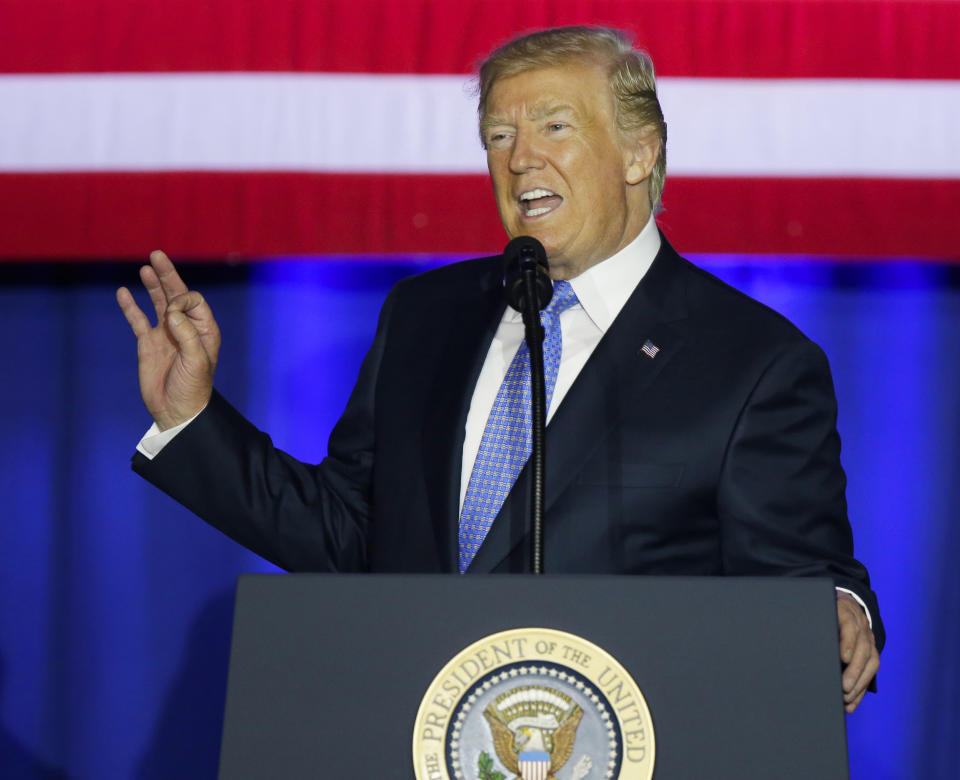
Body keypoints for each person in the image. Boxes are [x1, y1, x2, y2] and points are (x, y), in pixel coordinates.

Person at [117, 26, 881, 712]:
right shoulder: (425, 315)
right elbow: (351, 535)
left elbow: (801, 579)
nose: (520, 159)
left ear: (641, 151)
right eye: (498, 135)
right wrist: (191, 418)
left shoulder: (752, 361)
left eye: (554, 126)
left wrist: (836, 609)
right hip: (416, 737)